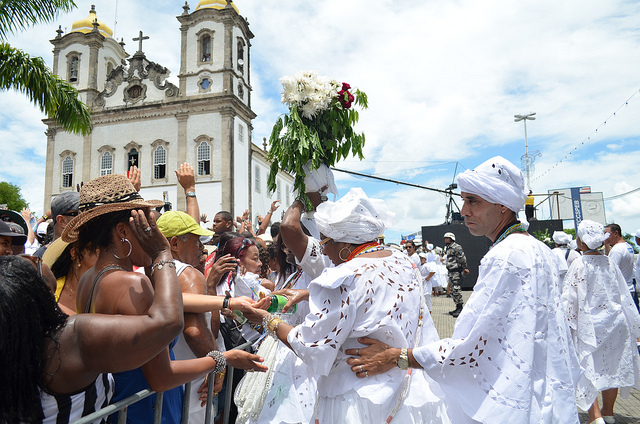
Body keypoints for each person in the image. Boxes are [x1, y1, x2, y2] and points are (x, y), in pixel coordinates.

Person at [346, 157, 580, 424]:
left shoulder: (505, 255)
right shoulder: (539, 250)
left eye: (473, 201)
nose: (464, 210)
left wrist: (397, 356)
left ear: (502, 205)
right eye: (464, 200)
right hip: (544, 400)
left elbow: (471, 347)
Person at [64, 174, 265, 424]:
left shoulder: (88, 280)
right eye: (148, 226)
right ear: (123, 231)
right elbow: (161, 376)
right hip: (148, 413)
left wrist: (227, 302)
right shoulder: (131, 283)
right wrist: (221, 359)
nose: (153, 233)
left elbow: (176, 302)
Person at [240, 188, 450, 424]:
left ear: (343, 245)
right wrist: (309, 294)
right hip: (407, 390)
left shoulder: (342, 277)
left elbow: (312, 346)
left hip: (357, 399)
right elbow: (371, 300)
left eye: (325, 243)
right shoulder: (401, 260)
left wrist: (268, 321)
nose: (323, 250)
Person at [0, 210, 187, 423]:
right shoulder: (71, 337)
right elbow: (168, 323)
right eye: (30, 262)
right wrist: (161, 252)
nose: (30, 256)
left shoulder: (22, 343)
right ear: (40, 294)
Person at [562, 220, 640, 424]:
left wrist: (565, 322)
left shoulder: (579, 263)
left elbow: (570, 299)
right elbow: (623, 294)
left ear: (580, 240)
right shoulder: (609, 262)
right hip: (615, 323)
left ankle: (595, 416)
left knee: (587, 367)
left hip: (590, 326)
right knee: (612, 367)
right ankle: (609, 412)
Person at [234, 235, 317, 424]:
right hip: (278, 348)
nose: (286, 250)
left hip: (299, 353)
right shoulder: (293, 276)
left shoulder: (315, 275)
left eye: (290, 245)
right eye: (283, 246)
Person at [157, 210, 220, 424]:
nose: (202, 248)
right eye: (196, 242)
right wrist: (218, 366)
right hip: (191, 391)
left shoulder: (143, 270)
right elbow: (195, 331)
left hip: (157, 387)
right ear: (174, 244)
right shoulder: (188, 274)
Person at [605, 223, 638, 310]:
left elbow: (610, 271)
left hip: (621, 292)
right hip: (629, 288)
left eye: (608, 234)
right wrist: (606, 246)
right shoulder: (627, 246)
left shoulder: (617, 250)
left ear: (616, 233)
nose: (606, 237)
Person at [443, 231, 469, 317]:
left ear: (451, 238)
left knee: (456, 289)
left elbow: (462, 258)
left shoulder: (456, 247)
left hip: (456, 271)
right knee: (452, 290)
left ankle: (460, 308)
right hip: (451, 271)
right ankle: (457, 307)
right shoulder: (448, 248)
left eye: (447, 238)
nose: (445, 240)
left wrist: (464, 267)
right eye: (445, 238)